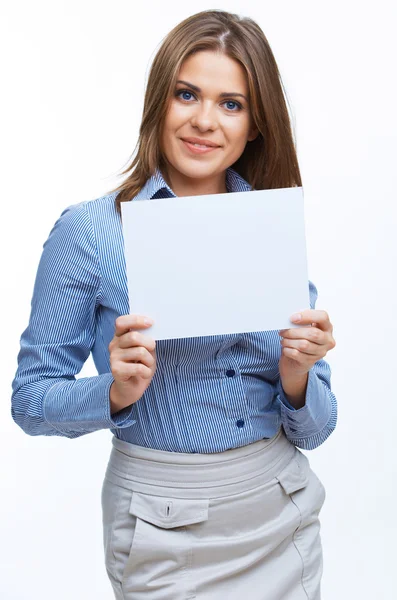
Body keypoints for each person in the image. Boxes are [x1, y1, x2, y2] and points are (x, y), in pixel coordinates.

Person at [11, 9, 337, 600]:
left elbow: (317, 429)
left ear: (255, 125)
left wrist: (298, 377)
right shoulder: (89, 233)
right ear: (160, 100)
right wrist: (113, 392)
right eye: (187, 94)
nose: (205, 121)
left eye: (231, 104)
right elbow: (31, 402)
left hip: (281, 509)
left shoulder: (269, 227)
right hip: (163, 527)